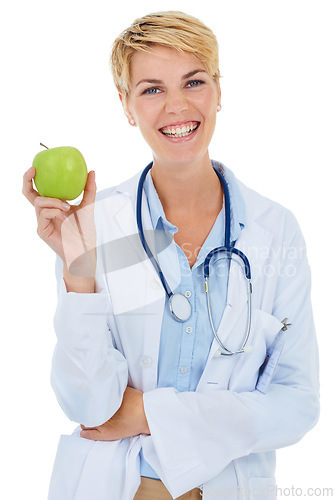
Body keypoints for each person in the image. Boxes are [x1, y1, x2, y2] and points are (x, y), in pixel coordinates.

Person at [22, 10, 320, 500]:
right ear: (126, 104)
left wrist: (147, 413)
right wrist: (79, 277)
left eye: (194, 81)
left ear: (220, 91)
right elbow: (89, 406)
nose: (177, 106)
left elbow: (296, 403)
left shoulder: (275, 231)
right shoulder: (101, 229)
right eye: (152, 89)